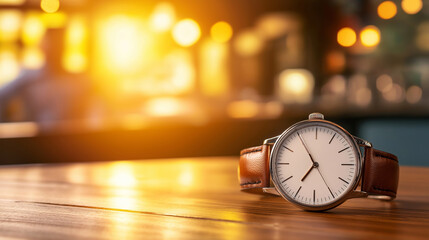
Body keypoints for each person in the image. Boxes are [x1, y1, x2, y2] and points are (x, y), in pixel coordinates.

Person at [0, 28, 93, 128]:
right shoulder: (29, 78)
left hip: (71, 139)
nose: (54, 49)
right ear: (42, 46)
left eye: (58, 44)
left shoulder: (78, 81)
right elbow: (2, 96)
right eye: (50, 44)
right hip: (35, 139)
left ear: (64, 46)